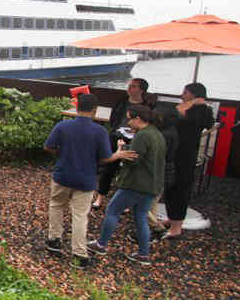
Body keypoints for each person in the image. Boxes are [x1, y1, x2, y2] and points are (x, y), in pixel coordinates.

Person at [43, 93, 136, 266]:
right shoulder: (100, 131)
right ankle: (78, 254)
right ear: (95, 110)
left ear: (77, 108)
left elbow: (48, 146)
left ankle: (54, 240)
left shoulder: (63, 126)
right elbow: (105, 158)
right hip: (85, 179)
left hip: (62, 175)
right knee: (79, 216)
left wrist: (62, 154)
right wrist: (118, 155)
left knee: (56, 206)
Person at [88, 104, 166, 265]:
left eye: (130, 119)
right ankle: (143, 254)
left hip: (136, 184)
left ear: (138, 119)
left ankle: (101, 245)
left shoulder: (143, 135)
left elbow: (134, 159)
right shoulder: (157, 134)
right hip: (153, 184)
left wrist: (121, 152)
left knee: (112, 210)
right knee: (141, 217)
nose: (128, 123)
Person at [159, 82, 215, 239]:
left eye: (185, 92)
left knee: (180, 188)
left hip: (185, 154)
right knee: (170, 185)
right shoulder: (194, 107)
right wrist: (192, 102)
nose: (182, 95)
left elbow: (174, 114)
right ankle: (172, 218)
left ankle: (177, 226)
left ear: (193, 94)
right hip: (176, 151)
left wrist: (193, 103)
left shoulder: (199, 110)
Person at [92, 77, 153, 210]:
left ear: (141, 90)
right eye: (129, 85)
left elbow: (148, 124)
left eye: (133, 86)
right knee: (109, 167)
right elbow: (113, 118)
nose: (129, 88)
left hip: (136, 140)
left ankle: (127, 202)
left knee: (131, 169)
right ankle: (100, 196)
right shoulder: (121, 102)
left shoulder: (147, 106)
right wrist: (114, 130)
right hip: (116, 137)